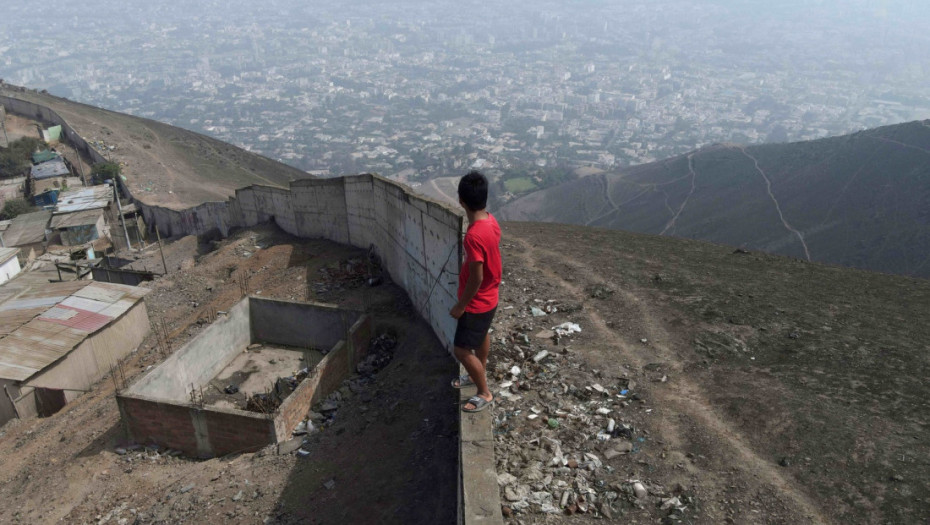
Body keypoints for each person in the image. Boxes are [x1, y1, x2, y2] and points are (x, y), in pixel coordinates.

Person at [450, 170, 502, 413]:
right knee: (481, 335)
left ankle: (484, 392)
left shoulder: (472, 236)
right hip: (491, 297)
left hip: (477, 303)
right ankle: (477, 371)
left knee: (460, 349)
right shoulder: (491, 221)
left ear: (461, 201)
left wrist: (461, 305)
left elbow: (476, 276)